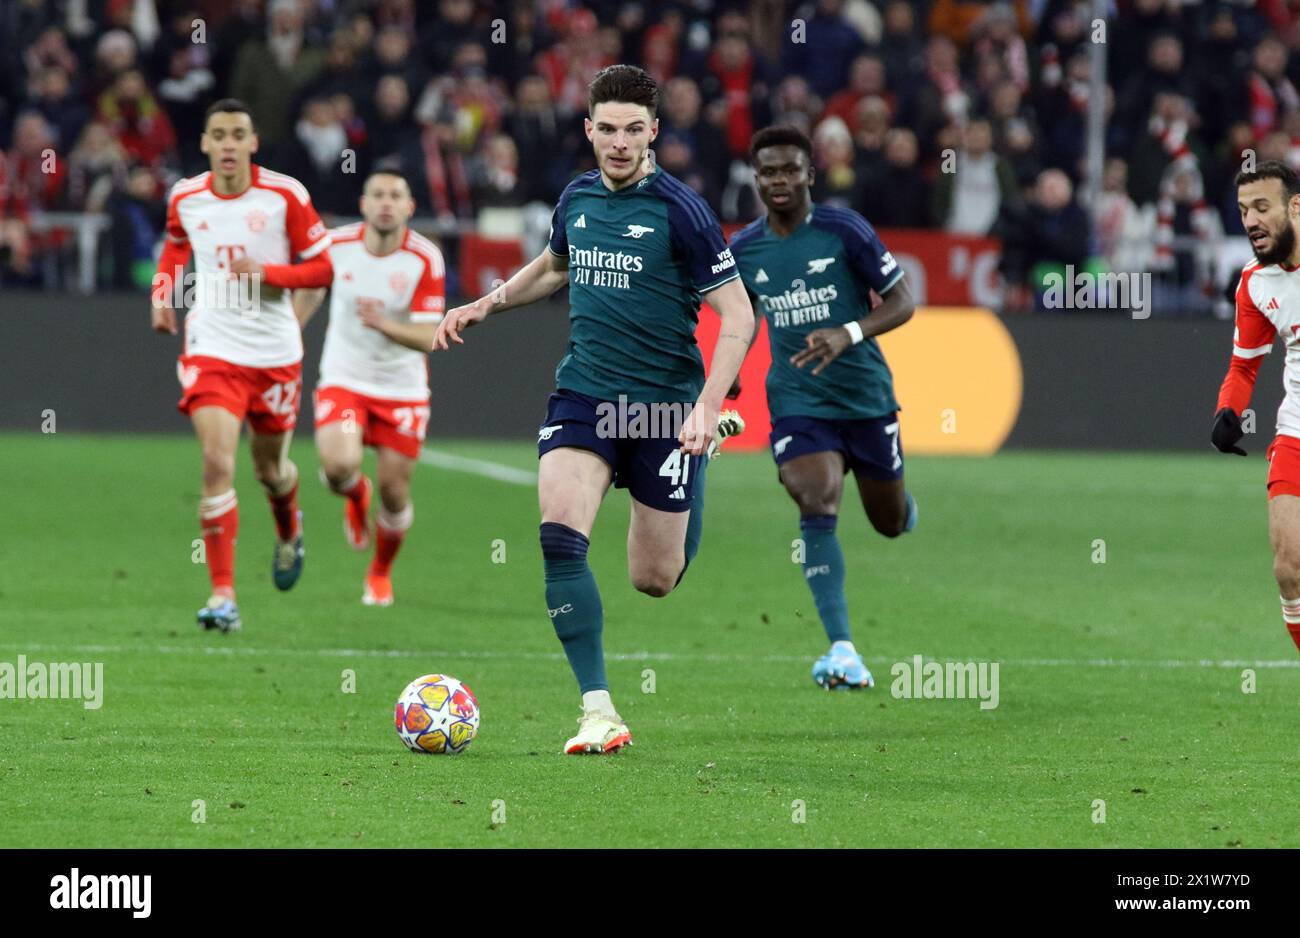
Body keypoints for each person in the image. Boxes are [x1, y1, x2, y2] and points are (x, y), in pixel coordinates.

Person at [433, 65, 753, 754]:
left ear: (654, 133)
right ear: (588, 130)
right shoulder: (576, 197)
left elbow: (737, 317)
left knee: (654, 580)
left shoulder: (682, 211)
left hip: (663, 410)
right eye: (606, 128)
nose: (618, 141)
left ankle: (702, 462)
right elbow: (553, 266)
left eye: (633, 129)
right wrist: (487, 302)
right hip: (584, 395)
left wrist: (704, 405)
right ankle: (598, 708)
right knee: (558, 534)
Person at [730, 125, 917, 689]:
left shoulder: (843, 229)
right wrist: (730, 370)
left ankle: (904, 508)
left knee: (887, 522)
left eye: (790, 169)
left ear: (811, 174)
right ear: (756, 179)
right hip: (797, 397)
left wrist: (849, 332)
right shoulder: (744, 248)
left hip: (864, 396)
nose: (779, 180)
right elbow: (743, 315)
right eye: (768, 171)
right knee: (814, 494)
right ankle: (842, 648)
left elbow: (904, 301)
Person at [151, 98, 332, 633]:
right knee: (216, 462)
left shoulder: (285, 196)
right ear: (205, 143)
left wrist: (271, 273)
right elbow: (174, 248)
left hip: (275, 354)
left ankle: (287, 530)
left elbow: (322, 268)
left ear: (253, 143)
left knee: (270, 470)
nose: (228, 144)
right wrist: (163, 296)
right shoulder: (185, 196)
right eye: (218, 135)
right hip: (213, 347)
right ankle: (223, 596)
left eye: (238, 135)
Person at [279, 170, 445, 606]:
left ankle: (379, 573)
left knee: (395, 492)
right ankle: (355, 493)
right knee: (337, 468)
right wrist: (288, 335)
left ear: (409, 207)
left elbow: (430, 336)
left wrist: (386, 324)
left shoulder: (425, 258)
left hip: (401, 388)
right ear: (365, 204)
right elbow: (312, 291)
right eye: (378, 195)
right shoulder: (336, 246)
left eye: (396, 195)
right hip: (345, 379)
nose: (386, 202)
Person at [1212, 160, 1300, 655]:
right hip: (1297, 429)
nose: (1251, 221)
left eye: (1262, 207)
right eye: (1244, 210)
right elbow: (1244, 367)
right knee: (1288, 566)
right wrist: (1228, 411)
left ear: (1295, 206)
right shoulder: (1255, 283)